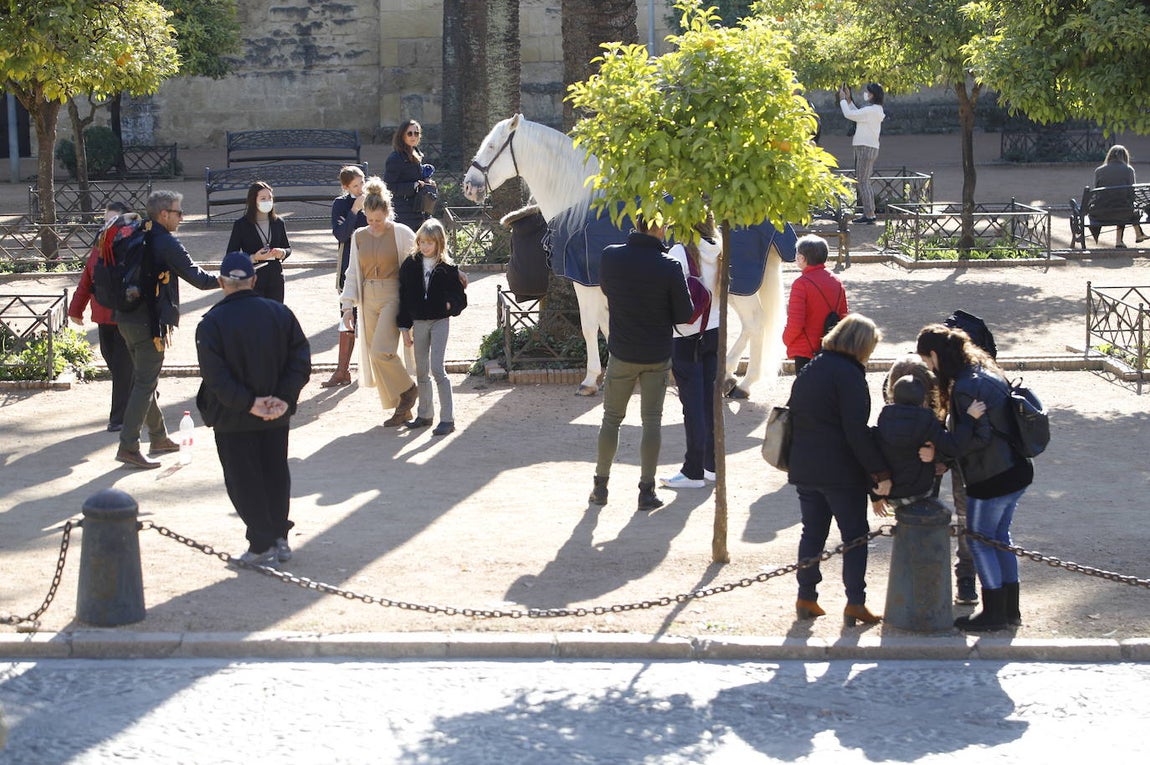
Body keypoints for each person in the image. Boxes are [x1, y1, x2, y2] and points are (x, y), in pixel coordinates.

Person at [916, 323, 1035, 632]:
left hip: (991, 476)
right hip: (1015, 469)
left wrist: (942, 453)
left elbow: (975, 439)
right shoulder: (985, 369)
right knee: (1000, 539)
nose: (929, 369)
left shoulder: (966, 386)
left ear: (934, 354)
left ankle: (994, 612)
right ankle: (1010, 610)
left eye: (928, 362)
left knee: (980, 541)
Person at [195, 251, 311, 568]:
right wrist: (282, 398)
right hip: (275, 413)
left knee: (243, 479)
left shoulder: (211, 324)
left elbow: (216, 377)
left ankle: (261, 541)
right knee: (275, 473)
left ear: (221, 283)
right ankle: (278, 538)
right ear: (254, 280)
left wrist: (249, 404)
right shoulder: (280, 313)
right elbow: (300, 360)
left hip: (234, 417)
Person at [787, 313, 890, 626]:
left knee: (812, 532)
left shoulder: (812, 368)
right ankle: (855, 603)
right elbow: (856, 431)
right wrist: (879, 474)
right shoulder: (849, 375)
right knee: (854, 537)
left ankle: (806, 597)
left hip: (805, 466)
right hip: (840, 472)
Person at [591, 214, 694, 512]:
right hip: (656, 353)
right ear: (659, 228)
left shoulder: (611, 256)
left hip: (622, 350)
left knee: (611, 419)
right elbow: (683, 314)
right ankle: (646, 492)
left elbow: (608, 290)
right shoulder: (669, 265)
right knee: (652, 421)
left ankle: (600, 486)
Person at [115, 190, 219, 470]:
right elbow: (200, 279)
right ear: (164, 214)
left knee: (144, 379)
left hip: (124, 318)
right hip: (148, 323)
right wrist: (232, 278)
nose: (182, 217)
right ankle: (128, 446)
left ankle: (158, 437)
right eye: (178, 212)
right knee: (145, 383)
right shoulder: (165, 242)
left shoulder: (137, 233)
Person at [339, 177, 419, 427]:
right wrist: (347, 307)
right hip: (367, 298)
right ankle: (400, 408)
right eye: (370, 220)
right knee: (375, 357)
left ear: (387, 213)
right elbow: (352, 271)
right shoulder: (359, 236)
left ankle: (408, 390)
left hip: (392, 294)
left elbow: (419, 261)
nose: (374, 225)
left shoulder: (401, 232)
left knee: (381, 351)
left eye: (378, 219)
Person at [660, 216, 721, 489]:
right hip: (715, 331)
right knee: (709, 402)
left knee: (692, 406)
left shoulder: (679, 252)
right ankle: (711, 465)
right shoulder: (720, 248)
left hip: (686, 336)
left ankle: (694, 470)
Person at [871, 374, 988, 515]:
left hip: (891, 492)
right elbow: (953, 446)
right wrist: (969, 418)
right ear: (923, 400)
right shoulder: (925, 420)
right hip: (920, 491)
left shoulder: (884, 419)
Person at [68, 201, 135, 433]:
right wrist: (76, 309)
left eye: (113, 220)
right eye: (106, 220)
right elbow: (88, 277)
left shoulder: (133, 246)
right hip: (103, 316)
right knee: (113, 362)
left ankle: (118, 418)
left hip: (126, 318)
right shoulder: (100, 244)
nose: (108, 225)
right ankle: (146, 393)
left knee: (122, 368)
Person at [397, 218, 467, 436]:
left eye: (430, 243)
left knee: (437, 368)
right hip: (418, 322)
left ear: (439, 244)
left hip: (439, 321)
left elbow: (460, 298)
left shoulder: (447, 269)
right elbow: (404, 297)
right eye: (422, 242)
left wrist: (450, 305)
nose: (425, 246)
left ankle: (447, 418)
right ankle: (425, 414)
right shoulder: (410, 265)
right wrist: (404, 328)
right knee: (421, 369)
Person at [323, 165, 369, 388]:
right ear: (345, 187)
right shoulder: (340, 204)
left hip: (371, 266)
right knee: (347, 317)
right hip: (349, 267)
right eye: (355, 186)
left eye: (362, 183)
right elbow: (341, 235)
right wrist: (354, 211)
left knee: (371, 319)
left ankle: (373, 369)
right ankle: (343, 371)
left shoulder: (373, 199)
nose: (361, 189)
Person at [782, 234, 848, 375]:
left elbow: (796, 322)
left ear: (802, 258)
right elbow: (843, 317)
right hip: (830, 347)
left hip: (805, 349)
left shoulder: (801, 284)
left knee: (806, 391)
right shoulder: (836, 281)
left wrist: (786, 339)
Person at [224, 181, 292, 302]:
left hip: (275, 278)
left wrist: (282, 252)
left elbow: (287, 248)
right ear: (253, 200)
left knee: (274, 316)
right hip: (252, 279)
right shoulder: (241, 224)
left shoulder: (278, 222)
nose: (268, 201)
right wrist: (254, 257)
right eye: (263, 198)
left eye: (270, 198)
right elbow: (231, 255)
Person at [838, 82, 885, 224]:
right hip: (869, 147)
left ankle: (869, 214)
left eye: (868, 92)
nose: (866, 94)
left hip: (865, 148)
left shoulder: (871, 111)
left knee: (863, 182)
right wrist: (848, 99)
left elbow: (849, 114)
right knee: (865, 181)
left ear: (873, 95)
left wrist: (842, 99)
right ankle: (870, 212)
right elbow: (856, 113)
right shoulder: (873, 110)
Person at [1090, 144, 1148, 248]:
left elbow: (1096, 192)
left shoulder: (1099, 170)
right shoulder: (1129, 170)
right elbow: (1132, 193)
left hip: (1102, 213)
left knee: (1119, 204)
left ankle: (1137, 235)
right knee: (1125, 205)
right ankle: (1122, 240)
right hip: (1123, 212)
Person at [384, 119, 435, 231]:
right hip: (403, 212)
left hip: (419, 209)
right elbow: (389, 187)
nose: (413, 136)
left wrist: (427, 181)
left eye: (416, 133)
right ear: (402, 135)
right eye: (409, 133)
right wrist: (414, 185)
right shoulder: (395, 158)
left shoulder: (417, 154)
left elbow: (417, 176)